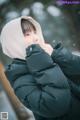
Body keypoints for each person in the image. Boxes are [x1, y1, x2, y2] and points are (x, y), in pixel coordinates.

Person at [0, 16, 80, 120]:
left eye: (35, 32)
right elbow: (55, 105)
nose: (36, 37)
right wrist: (41, 62)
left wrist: (56, 54)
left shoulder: (49, 58)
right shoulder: (20, 79)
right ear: (14, 43)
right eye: (27, 34)